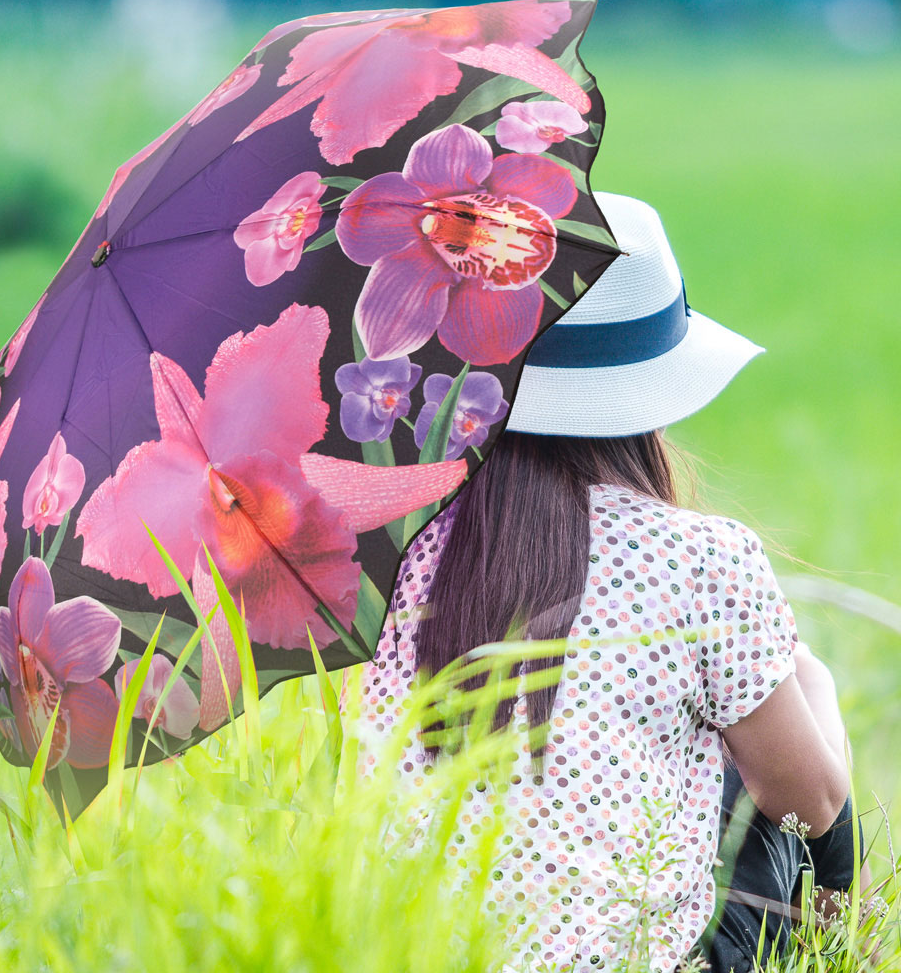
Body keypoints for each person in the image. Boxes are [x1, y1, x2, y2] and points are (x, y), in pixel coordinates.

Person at [349, 193, 862, 973]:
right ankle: (844, 950)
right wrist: (812, 679)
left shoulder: (395, 545)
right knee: (750, 769)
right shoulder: (702, 557)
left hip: (404, 955)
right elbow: (812, 805)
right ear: (649, 393)